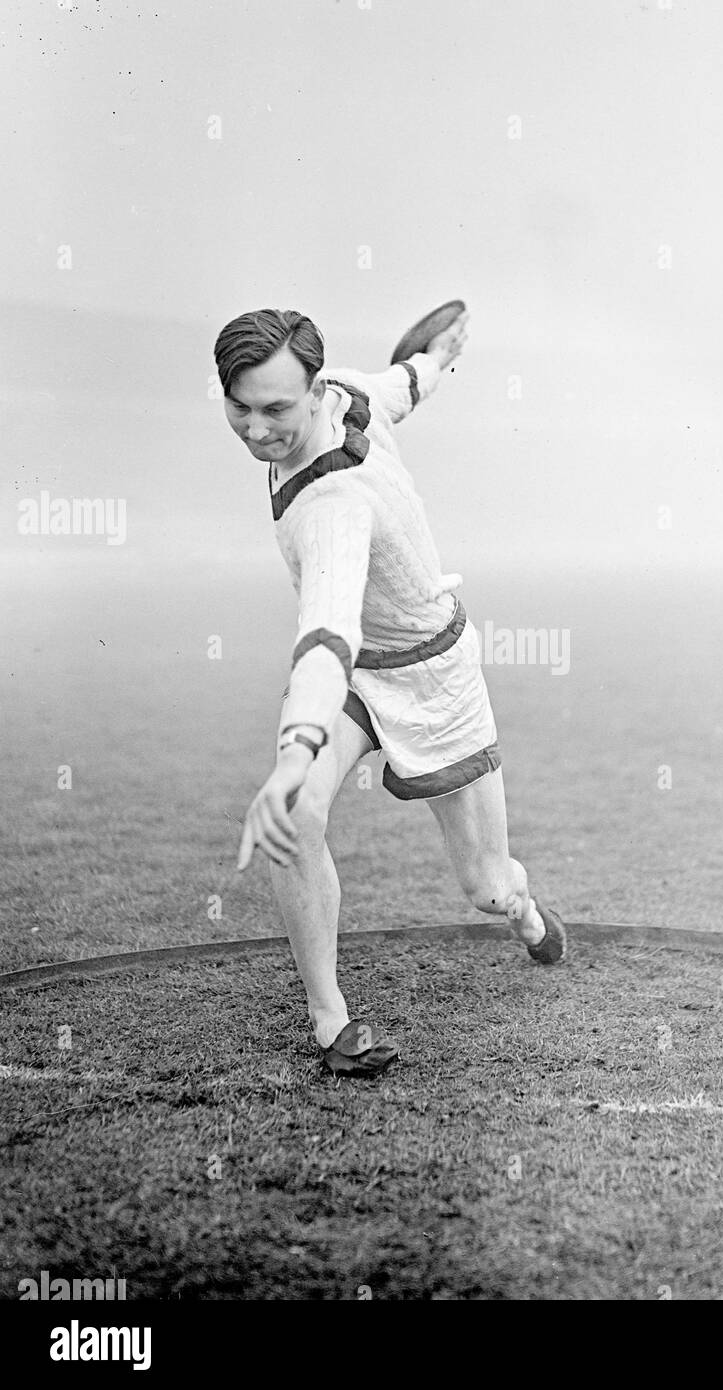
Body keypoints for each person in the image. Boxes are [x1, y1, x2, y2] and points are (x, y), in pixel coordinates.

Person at [213, 307, 567, 1078]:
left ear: (314, 391)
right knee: (297, 811)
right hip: (355, 682)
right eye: (239, 406)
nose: (256, 428)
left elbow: (324, 638)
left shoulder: (331, 507)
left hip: (433, 676)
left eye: (275, 408)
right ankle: (329, 1019)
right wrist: (436, 356)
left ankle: (528, 913)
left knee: (484, 886)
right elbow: (405, 381)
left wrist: (293, 741)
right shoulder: (342, 387)